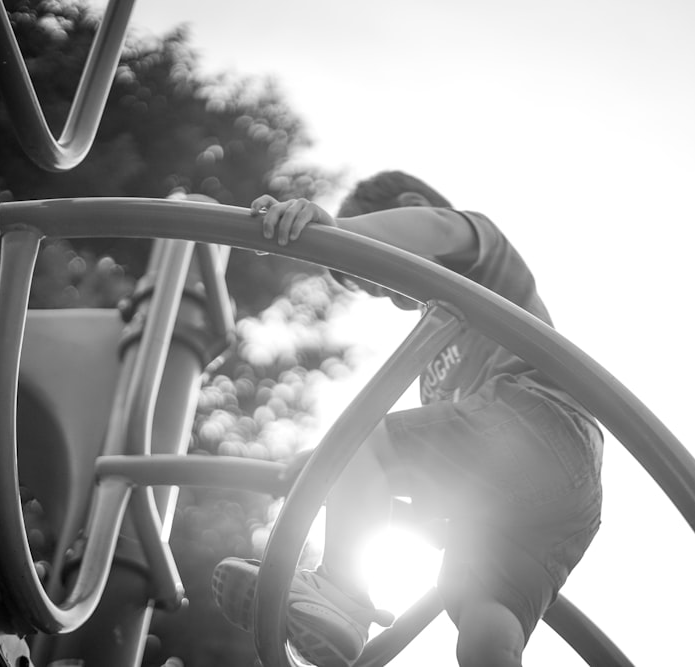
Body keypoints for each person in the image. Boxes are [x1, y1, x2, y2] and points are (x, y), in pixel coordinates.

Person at [211, 171, 603, 667]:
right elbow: (428, 459)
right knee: (480, 608)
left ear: (409, 206)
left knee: (357, 439)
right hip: (553, 494)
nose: (393, 294)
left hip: (539, 420)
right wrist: (328, 471)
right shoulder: (439, 351)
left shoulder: (477, 252)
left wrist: (337, 231)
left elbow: (435, 230)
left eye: (381, 278)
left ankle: (342, 593)